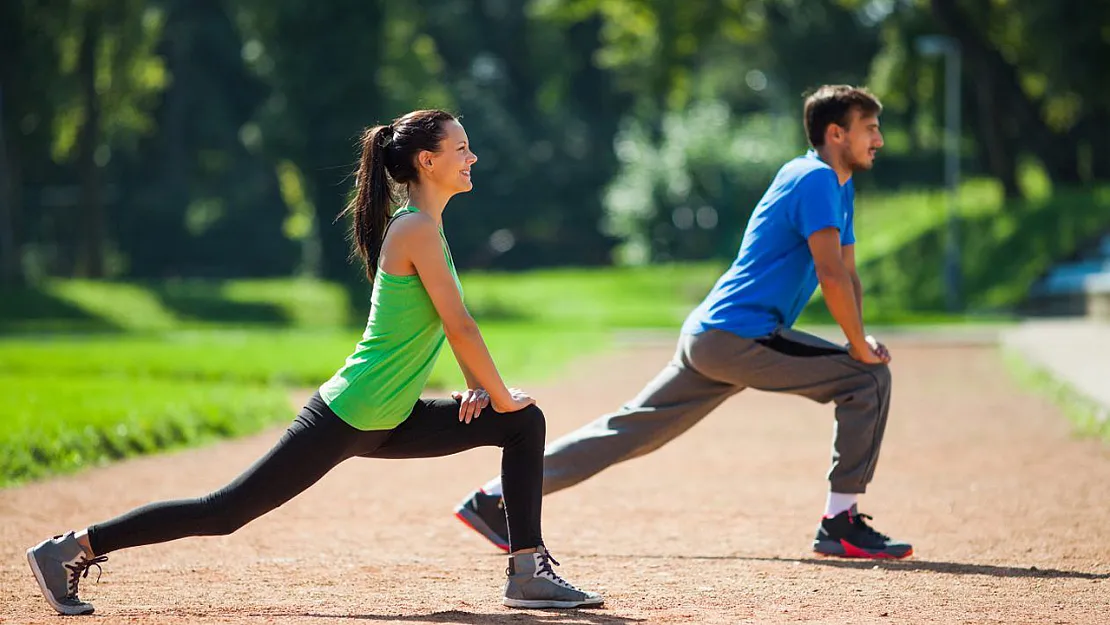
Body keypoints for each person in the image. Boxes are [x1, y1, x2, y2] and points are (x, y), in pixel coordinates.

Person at [26, 109, 603, 616]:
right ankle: (73, 547)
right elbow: (460, 326)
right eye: (461, 148)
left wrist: (483, 390)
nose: (472, 156)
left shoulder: (429, 228)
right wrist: (497, 393)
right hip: (350, 413)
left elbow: (446, 329)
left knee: (523, 425)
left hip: (389, 416)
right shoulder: (416, 229)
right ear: (428, 161)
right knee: (226, 511)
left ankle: (526, 571)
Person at [455, 85, 913, 560]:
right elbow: (831, 274)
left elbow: (849, 273)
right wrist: (859, 348)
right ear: (836, 133)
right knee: (867, 378)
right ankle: (839, 522)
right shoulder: (814, 178)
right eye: (870, 129)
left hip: (714, 334)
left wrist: (858, 337)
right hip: (741, 335)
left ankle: (494, 499)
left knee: (628, 430)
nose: (878, 140)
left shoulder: (836, 185)